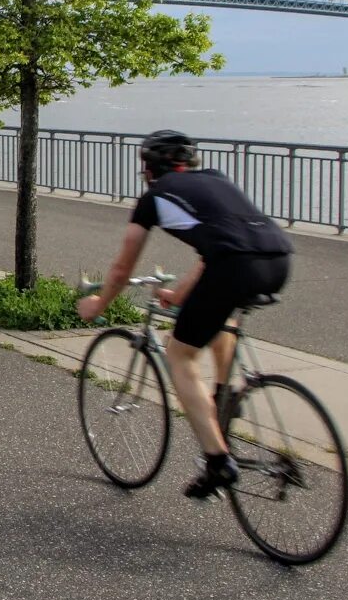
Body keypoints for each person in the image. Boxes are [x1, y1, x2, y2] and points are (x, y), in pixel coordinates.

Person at [77, 129, 292, 501]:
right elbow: (216, 254)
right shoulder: (216, 178)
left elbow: (121, 268)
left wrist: (98, 304)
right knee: (223, 318)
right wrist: (178, 294)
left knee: (179, 354)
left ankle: (217, 461)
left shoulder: (154, 198)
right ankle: (224, 401)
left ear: (149, 167)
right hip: (278, 259)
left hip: (233, 267)